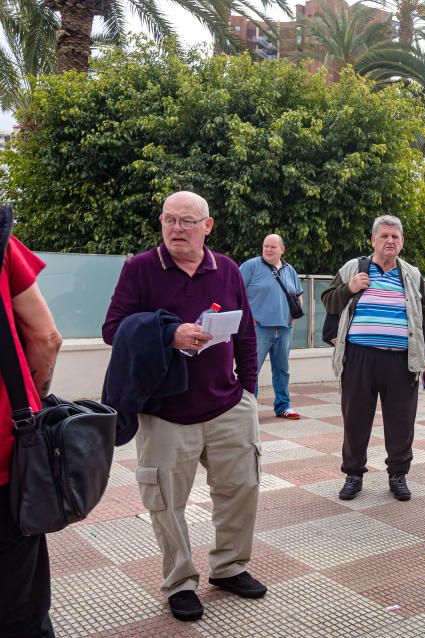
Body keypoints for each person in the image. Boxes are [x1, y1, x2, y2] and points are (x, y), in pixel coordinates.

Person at [102, 191, 265, 623]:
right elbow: (112, 329)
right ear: (161, 222)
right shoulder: (140, 268)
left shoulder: (226, 269)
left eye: (188, 221)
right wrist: (168, 333)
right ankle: (179, 582)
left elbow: (246, 333)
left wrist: (247, 392)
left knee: (240, 491)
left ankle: (229, 567)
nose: (177, 229)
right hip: (164, 412)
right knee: (165, 503)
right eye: (170, 220)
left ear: (207, 226)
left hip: (228, 406)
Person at [322, 215, 425, 502]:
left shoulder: (411, 274)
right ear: (373, 240)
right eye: (384, 236)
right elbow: (327, 300)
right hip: (359, 358)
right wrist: (350, 288)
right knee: (355, 419)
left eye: (395, 237)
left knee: (401, 421)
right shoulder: (353, 268)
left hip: (401, 360)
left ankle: (397, 475)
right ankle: (353, 475)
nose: (390, 241)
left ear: (402, 242)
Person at [0, 222, 62, 638]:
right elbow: (45, 337)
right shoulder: (2, 243)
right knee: (19, 610)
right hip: (5, 459)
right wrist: (35, 397)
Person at [240, 234, 304, 420]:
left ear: (282, 249)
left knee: (282, 369)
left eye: (272, 247)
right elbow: (235, 291)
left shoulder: (289, 269)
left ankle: (283, 406)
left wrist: (294, 318)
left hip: (284, 328)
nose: (268, 249)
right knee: (252, 369)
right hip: (258, 329)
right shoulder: (251, 266)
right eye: (265, 246)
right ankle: (249, 408)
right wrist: (248, 317)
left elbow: (298, 293)